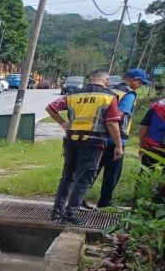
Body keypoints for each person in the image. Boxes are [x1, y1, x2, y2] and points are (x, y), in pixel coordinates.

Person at [45, 69, 123, 225]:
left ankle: (56, 211)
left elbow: (51, 108)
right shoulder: (109, 97)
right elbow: (112, 122)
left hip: (71, 139)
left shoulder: (74, 94)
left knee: (67, 177)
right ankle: (70, 213)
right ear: (106, 81)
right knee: (84, 179)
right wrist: (118, 146)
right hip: (93, 141)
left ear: (90, 79)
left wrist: (62, 123)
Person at [82, 68, 151, 208]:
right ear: (134, 80)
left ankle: (79, 199)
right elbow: (119, 115)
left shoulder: (110, 90)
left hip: (98, 136)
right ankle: (104, 203)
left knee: (93, 170)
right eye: (141, 83)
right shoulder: (129, 94)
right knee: (112, 174)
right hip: (116, 138)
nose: (141, 86)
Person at [138, 96, 165, 169]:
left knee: (146, 175)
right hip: (154, 148)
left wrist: (141, 147)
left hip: (151, 148)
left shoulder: (156, 106)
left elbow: (144, 127)